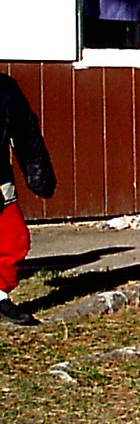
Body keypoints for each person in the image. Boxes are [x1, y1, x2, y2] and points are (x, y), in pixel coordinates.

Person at [0, 74, 56, 328]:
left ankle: (0, 295)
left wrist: (38, 172)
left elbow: (25, 131)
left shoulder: (5, 88)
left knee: (14, 239)